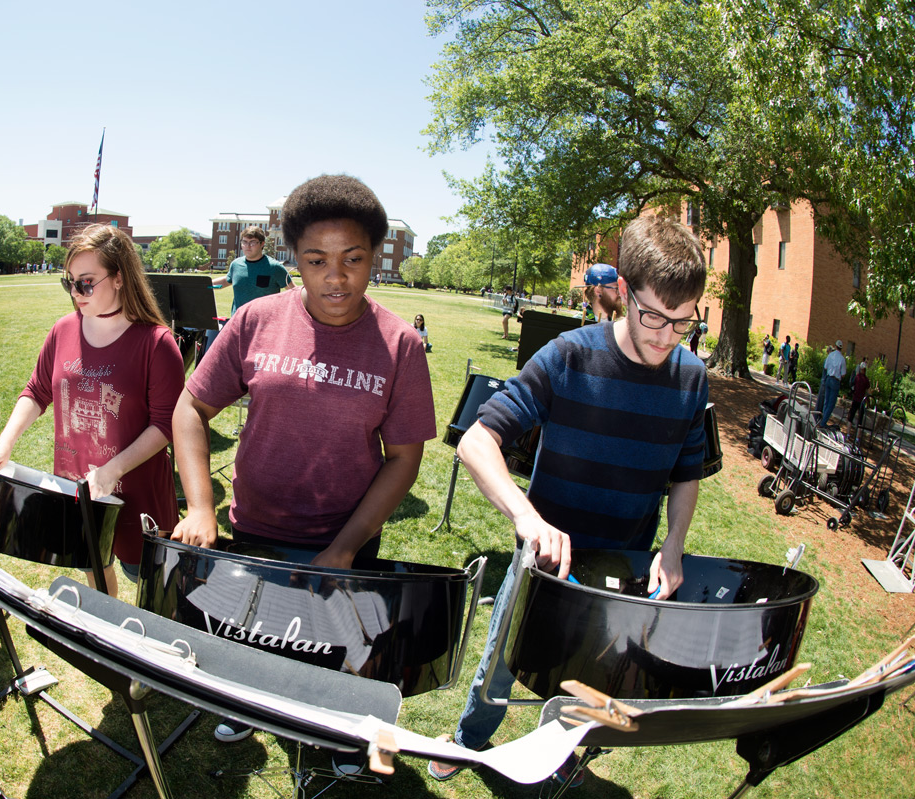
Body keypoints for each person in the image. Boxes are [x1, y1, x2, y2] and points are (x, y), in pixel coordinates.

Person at [429, 214, 708, 784]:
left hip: (625, 571)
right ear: (624, 292)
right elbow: (479, 442)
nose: (663, 336)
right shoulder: (569, 355)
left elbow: (686, 474)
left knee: (591, 676)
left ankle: (557, 757)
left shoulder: (692, 378)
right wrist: (527, 518)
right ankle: (467, 741)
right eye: (653, 315)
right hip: (545, 562)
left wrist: (674, 544)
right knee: (502, 664)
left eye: (681, 323)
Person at [171, 175, 436, 756]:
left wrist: (345, 547)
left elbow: (405, 460)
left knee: (336, 656)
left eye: (353, 259)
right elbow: (190, 408)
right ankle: (244, 705)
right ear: (294, 258)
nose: (335, 277)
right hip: (256, 531)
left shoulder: (400, 345)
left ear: (375, 259)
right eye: (317, 260)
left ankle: (335, 737)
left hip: (347, 540)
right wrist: (199, 505)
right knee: (251, 640)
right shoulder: (255, 320)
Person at [0, 224, 185, 596]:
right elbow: (37, 390)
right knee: (95, 573)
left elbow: (165, 425)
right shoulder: (62, 330)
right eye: (70, 282)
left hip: (136, 497)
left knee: (152, 592)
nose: (76, 293)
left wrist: (113, 470)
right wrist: (5, 440)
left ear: (120, 278)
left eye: (87, 282)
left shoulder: (156, 343)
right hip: (76, 491)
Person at [210, 225, 294, 315]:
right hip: (237, 322)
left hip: (264, 324)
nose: (248, 246)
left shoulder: (275, 267)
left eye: (253, 242)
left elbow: (294, 292)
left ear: (262, 244)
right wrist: (203, 284)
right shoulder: (236, 265)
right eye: (244, 242)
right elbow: (226, 281)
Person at [819, 340, 848, 428]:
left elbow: (825, 367)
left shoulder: (830, 355)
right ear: (841, 348)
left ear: (835, 346)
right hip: (835, 381)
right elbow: (843, 374)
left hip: (828, 378)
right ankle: (823, 422)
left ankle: (822, 419)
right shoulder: (842, 359)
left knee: (826, 401)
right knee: (831, 403)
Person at [847, 361, 871, 431]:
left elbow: (853, 385)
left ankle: (848, 433)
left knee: (850, 417)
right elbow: (868, 391)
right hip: (862, 401)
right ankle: (857, 438)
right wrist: (868, 402)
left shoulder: (857, 377)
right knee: (860, 420)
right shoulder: (866, 380)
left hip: (855, 399)